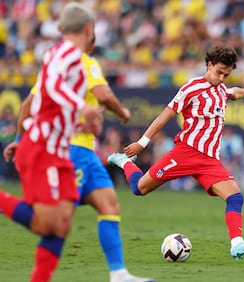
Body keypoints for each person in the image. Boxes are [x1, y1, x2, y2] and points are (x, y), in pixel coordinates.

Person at [4, 35, 154, 282]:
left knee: (109, 205)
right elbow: (104, 95)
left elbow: (27, 107)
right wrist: (122, 112)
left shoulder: (53, 66)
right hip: (71, 152)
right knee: (51, 224)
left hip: (86, 154)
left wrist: (20, 141)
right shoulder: (87, 63)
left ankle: (118, 273)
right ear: (90, 43)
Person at [107, 43, 244, 260]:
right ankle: (125, 161)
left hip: (209, 160)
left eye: (226, 75)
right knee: (139, 189)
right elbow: (165, 115)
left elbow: (235, 93)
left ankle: (237, 244)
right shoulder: (191, 88)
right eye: (219, 72)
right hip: (185, 153)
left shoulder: (221, 89)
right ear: (209, 65)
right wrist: (142, 143)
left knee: (236, 197)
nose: (221, 78)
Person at [0, 3, 101, 282]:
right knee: (46, 223)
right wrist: (82, 106)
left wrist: (84, 122)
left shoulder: (69, 59)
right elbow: (54, 89)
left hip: (58, 151)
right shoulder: (66, 54)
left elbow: (52, 104)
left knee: (63, 223)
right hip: (43, 149)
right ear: (89, 30)